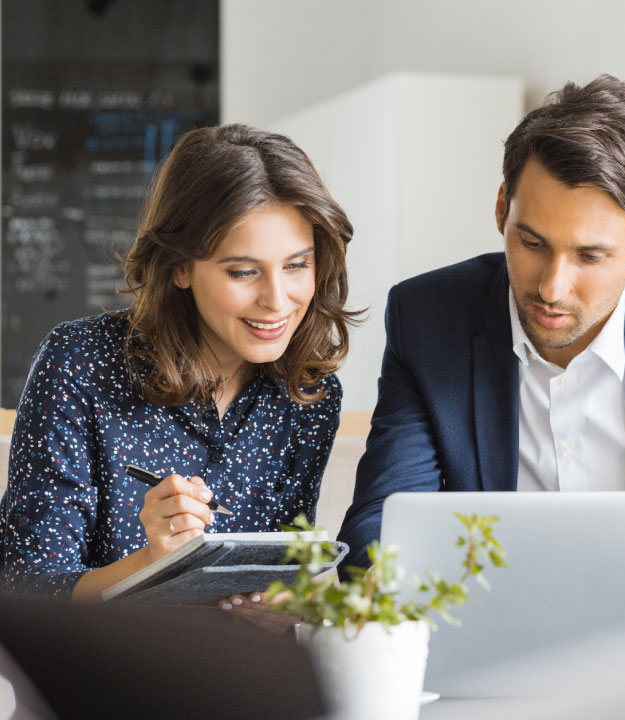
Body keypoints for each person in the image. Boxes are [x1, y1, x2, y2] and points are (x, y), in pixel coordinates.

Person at [338, 74, 625, 569]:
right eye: (533, 243)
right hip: (487, 630)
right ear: (502, 209)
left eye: (590, 256)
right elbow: (379, 528)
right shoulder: (430, 318)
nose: (551, 288)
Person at [0, 123, 357, 603]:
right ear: (179, 267)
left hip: (244, 673)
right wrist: (152, 563)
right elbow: (26, 590)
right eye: (243, 272)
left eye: (297, 265)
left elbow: (285, 575)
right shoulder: (78, 364)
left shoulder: (310, 395)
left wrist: (284, 606)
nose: (277, 300)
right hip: (101, 670)